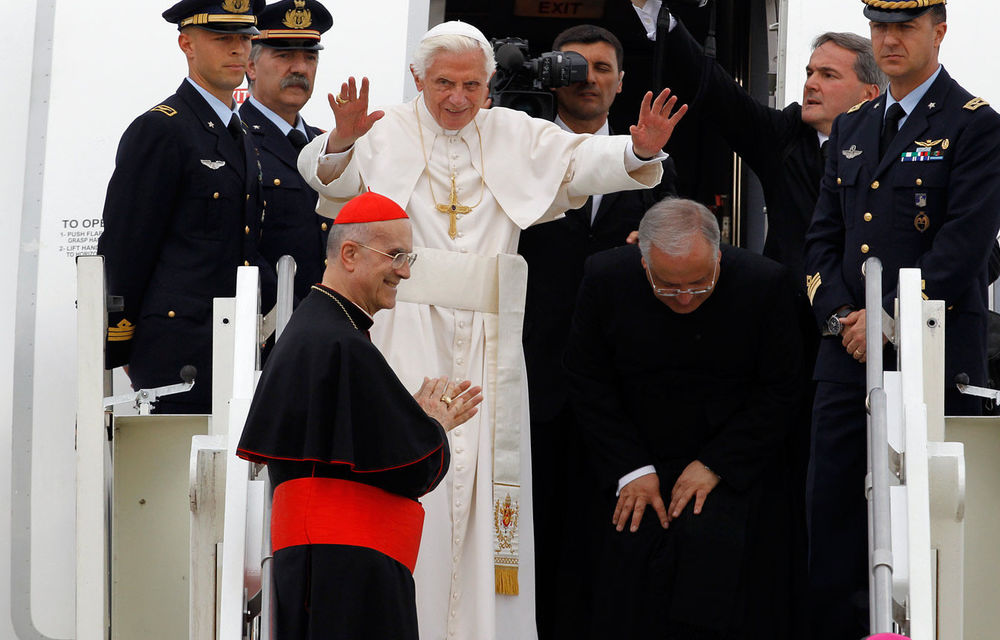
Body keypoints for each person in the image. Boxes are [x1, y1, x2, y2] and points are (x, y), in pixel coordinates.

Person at [296, 20, 686, 640]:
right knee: (409, 464)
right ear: (419, 79)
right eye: (444, 83)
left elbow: (582, 163)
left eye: (472, 84)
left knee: (485, 484)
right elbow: (330, 179)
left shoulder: (511, 133)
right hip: (404, 331)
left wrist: (638, 150)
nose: (457, 98)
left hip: (488, 340)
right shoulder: (387, 129)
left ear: (489, 84)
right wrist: (342, 139)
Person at [803, 1, 1000, 637]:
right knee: (832, 520)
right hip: (846, 361)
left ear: (938, 31)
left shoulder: (977, 127)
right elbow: (821, 242)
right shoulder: (854, 125)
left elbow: (964, 248)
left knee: (926, 521)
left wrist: (886, 321)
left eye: (905, 26)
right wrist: (841, 318)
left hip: (932, 357)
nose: (889, 39)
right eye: (880, 26)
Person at [237, 190, 483, 639]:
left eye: (409, 257)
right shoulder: (339, 341)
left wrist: (411, 422)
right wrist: (434, 425)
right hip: (346, 574)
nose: (405, 271)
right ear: (349, 253)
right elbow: (414, 469)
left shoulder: (324, 330)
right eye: (395, 256)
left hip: (328, 567)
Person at [564, 198, 804, 638]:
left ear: (718, 255)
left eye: (699, 283)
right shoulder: (605, 277)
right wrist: (631, 468)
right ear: (643, 262)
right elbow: (587, 380)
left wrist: (717, 464)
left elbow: (782, 388)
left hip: (732, 459)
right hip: (633, 454)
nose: (686, 298)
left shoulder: (764, 282)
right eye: (668, 287)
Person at [515, 23, 678, 639]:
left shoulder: (656, 158)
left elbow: (680, 242)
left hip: (620, 388)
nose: (590, 78)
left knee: (609, 539)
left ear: (621, 81)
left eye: (604, 67)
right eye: (575, 66)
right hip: (530, 376)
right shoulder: (517, 150)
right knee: (529, 528)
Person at [97, 0, 270, 414]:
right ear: (186, 44)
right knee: (178, 474)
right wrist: (119, 339)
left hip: (233, 345)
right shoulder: (161, 128)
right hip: (177, 350)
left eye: (245, 38)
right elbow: (126, 244)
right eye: (221, 38)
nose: (237, 49)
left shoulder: (239, 130)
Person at [634, 0, 884, 280]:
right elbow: (719, 94)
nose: (811, 84)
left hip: (866, 312)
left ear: (869, 94)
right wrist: (653, 11)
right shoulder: (786, 135)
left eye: (828, 75)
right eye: (810, 73)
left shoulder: (896, 147)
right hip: (791, 310)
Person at [242, 0, 332, 301]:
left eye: (310, 57)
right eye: (284, 56)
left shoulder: (325, 144)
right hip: (260, 327)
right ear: (251, 66)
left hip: (323, 324)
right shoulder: (233, 139)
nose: (299, 68)